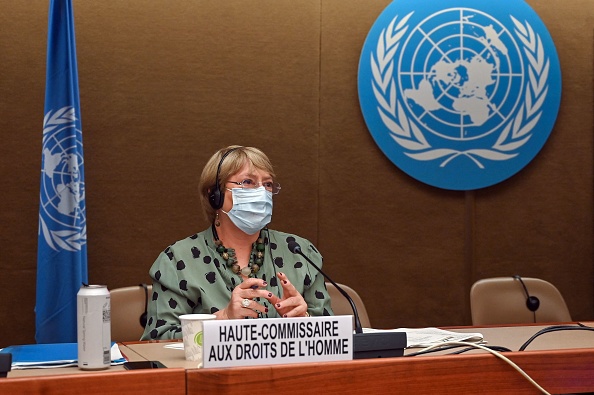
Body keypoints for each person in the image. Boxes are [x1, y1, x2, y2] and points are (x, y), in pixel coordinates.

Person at [141, 145, 333, 340]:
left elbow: (332, 336)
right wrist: (223, 319)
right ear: (215, 195)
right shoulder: (178, 260)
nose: (261, 192)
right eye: (248, 182)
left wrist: (304, 321)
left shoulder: (300, 252)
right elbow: (156, 341)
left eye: (267, 184)